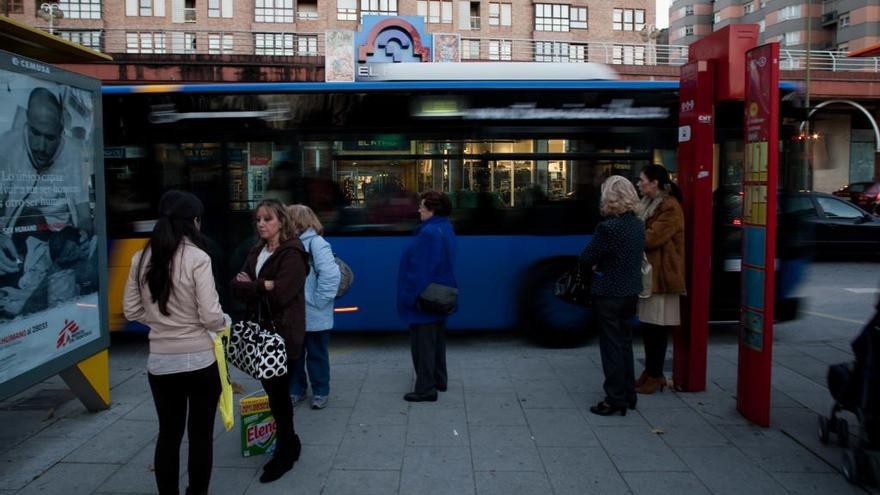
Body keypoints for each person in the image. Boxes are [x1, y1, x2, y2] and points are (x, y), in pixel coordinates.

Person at [122, 191, 226, 495]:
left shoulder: (140, 258)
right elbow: (210, 316)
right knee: (200, 437)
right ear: (194, 222)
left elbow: (131, 310)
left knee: (168, 434)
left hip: (160, 364)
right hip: (200, 363)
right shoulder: (198, 257)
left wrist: (160, 323)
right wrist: (222, 323)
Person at [230, 199, 308, 483]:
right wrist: (262, 285)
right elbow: (234, 289)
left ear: (282, 222)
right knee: (275, 396)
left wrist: (252, 286)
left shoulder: (293, 254)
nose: (261, 224)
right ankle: (291, 442)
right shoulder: (256, 251)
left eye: (268, 219)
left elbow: (280, 296)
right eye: (258, 219)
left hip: (283, 336)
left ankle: (285, 454)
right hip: (261, 336)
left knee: (279, 397)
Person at [0, 87, 95, 318]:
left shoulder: (73, 151)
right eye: (35, 133)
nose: (41, 146)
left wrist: (84, 231)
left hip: (61, 240)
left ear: (61, 133)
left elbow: (84, 215)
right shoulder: (7, 146)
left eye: (49, 137)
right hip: (20, 240)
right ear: (27, 124)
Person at [580, 176, 645, 416]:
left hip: (609, 294)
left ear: (609, 197)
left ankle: (614, 399)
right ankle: (629, 394)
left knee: (611, 347)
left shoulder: (607, 228)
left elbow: (586, 257)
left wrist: (598, 265)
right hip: (631, 292)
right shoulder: (638, 224)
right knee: (625, 343)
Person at [397, 191, 457, 402]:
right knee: (437, 342)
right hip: (439, 295)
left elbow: (421, 270)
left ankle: (425, 389)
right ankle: (440, 380)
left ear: (433, 210)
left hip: (424, 298)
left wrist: (408, 297)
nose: (419, 210)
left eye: (423, 207)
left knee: (423, 346)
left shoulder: (429, 232)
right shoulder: (445, 227)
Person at [635, 165, 685, 395]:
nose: (638, 183)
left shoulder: (670, 207)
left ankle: (656, 376)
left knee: (656, 328)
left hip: (662, 276)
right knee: (648, 326)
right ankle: (651, 372)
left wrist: (630, 232)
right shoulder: (647, 204)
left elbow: (651, 239)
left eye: (642, 180)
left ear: (655, 183)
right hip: (649, 275)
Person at [287, 204, 341, 410]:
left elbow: (330, 276)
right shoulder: (290, 244)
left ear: (297, 222)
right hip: (294, 315)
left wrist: (318, 302)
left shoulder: (316, 244)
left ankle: (320, 391)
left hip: (314, 314)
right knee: (294, 355)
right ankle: (297, 389)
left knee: (317, 355)